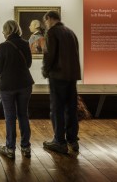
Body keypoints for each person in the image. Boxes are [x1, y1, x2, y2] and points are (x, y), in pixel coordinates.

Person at [0, 20, 34, 159]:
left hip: (7, 86)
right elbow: (28, 64)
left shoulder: (3, 46)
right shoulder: (25, 43)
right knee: (23, 115)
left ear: (7, 31)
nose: (3, 33)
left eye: (4, 31)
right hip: (25, 84)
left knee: (10, 117)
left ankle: (10, 148)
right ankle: (26, 147)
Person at [41, 11, 81, 154]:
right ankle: (72, 140)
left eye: (46, 22)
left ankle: (59, 141)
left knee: (57, 109)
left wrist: (45, 71)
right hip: (72, 76)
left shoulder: (52, 32)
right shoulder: (70, 33)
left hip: (58, 75)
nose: (46, 25)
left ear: (49, 19)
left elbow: (49, 55)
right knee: (71, 108)